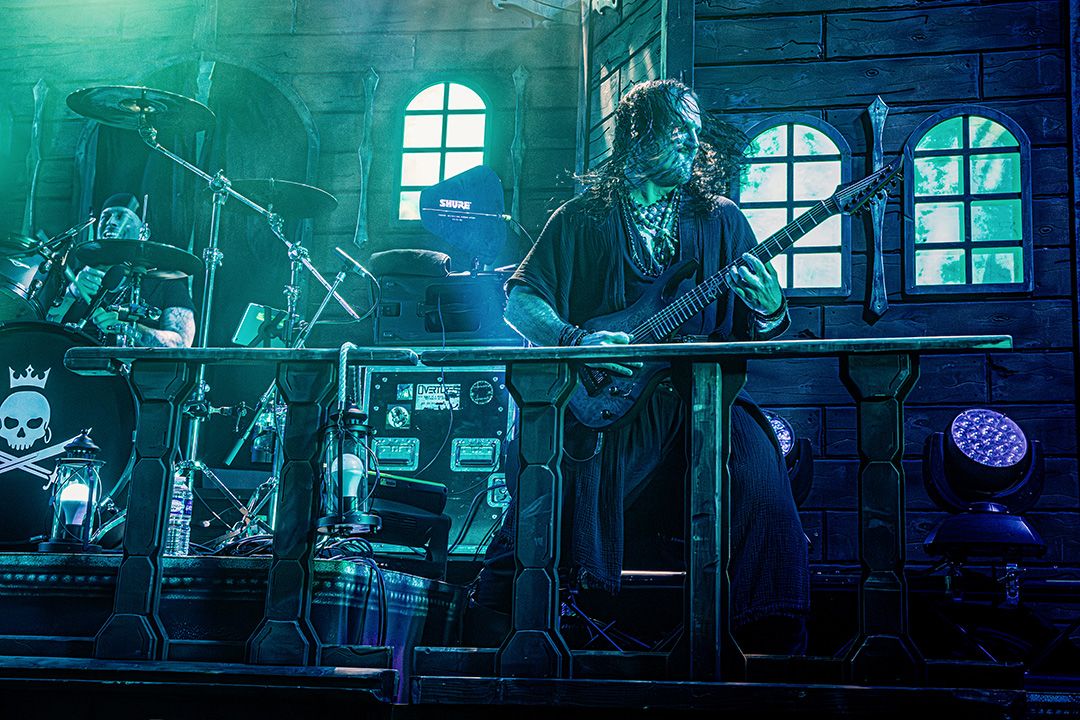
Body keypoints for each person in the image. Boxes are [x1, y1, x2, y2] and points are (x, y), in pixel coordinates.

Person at [467, 79, 810, 654]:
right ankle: (513, 632)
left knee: (760, 482)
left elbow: (763, 328)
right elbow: (519, 303)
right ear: (639, 134)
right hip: (607, 406)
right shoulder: (581, 218)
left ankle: (766, 645)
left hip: (704, 400)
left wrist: (773, 307)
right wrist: (577, 340)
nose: (693, 143)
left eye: (697, 132)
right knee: (549, 495)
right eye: (679, 130)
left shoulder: (721, 219)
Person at [46, 194, 195, 348]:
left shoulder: (166, 283)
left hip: (135, 364)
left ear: (143, 233)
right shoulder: (77, 277)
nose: (111, 223)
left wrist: (127, 329)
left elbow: (182, 343)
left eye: (121, 216)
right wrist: (71, 293)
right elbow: (44, 328)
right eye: (106, 217)